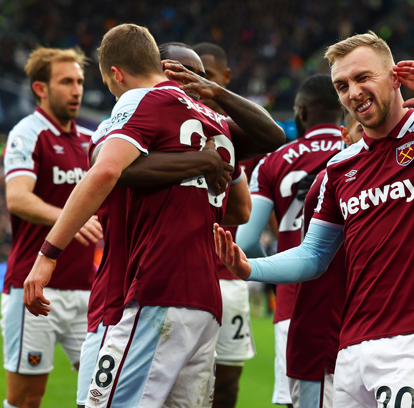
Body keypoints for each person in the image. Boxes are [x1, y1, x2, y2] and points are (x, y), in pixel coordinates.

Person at [214, 31, 414, 406]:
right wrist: (251, 268)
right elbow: (313, 256)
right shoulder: (338, 169)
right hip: (351, 346)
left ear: (395, 77)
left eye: (363, 77)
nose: (353, 92)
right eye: (342, 85)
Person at [23, 24, 283, 408]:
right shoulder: (216, 123)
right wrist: (202, 157)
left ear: (116, 74)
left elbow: (106, 170)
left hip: (149, 288)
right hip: (202, 301)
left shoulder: (138, 101)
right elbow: (268, 146)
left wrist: (47, 255)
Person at [75, 41, 244, 408]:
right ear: (163, 71)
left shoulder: (207, 130)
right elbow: (111, 172)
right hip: (130, 298)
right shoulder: (124, 127)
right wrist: (201, 164)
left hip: (150, 291)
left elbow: (242, 208)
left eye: (201, 78)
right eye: (185, 74)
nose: (191, 84)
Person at [235, 73, 345, 407]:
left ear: (301, 111)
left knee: (297, 398)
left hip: (294, 299)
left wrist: (271, 274)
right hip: (354, 301)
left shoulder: (273, 161)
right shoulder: (357, 151)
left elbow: (248, 237)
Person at [2, 46, 102, 408]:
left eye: (79, 81)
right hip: (34, 289)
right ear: (40, 89)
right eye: (66, 82)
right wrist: (69, 221)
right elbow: (18, 199)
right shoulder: (28, 134)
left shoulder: (89, 141)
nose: (76, 90)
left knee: (102, 393)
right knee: (27, 399)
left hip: (86, 291)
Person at [194, 41, 258, 408]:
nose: (200, 87)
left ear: (225, 79)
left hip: (227, 278)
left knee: (228, 383)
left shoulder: (230, 136)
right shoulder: (168, 125)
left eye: (208, 78)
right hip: (180, 274)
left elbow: (243, 210)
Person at [283, 108, 363, 408]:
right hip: (325, 335)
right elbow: (314, 257)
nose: (369, 140)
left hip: (364, 336)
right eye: (360, 132)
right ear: (344, 135)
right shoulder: (332, 182)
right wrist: (250, 268)